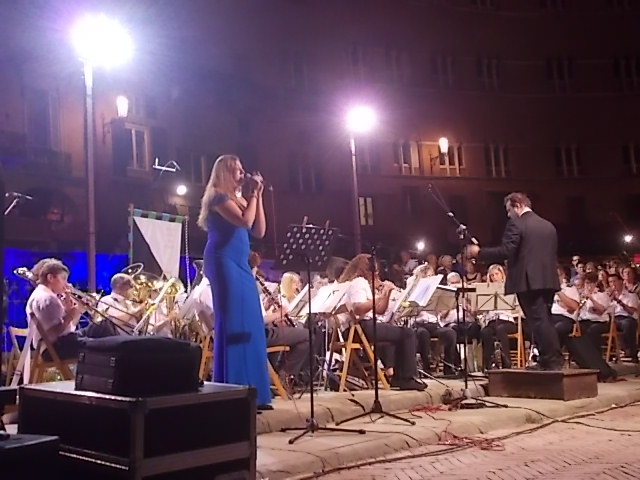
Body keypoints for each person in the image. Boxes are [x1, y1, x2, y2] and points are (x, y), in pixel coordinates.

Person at [197, 154, 272, 410]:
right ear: (226, 173)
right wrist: (252, 198)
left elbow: (259, 230)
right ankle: (232, 390)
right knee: (232, 323)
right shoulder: (217, 197)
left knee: (251, 323)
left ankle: (256, 393)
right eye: (237, 170)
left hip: (240, 264)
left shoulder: (240, 199)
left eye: (242, 169)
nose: (242, 173)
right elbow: (244, 221)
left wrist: (258, 196)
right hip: (223, 262)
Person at [466, 192, 563, 370]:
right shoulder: (548, 225)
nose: (508, 215)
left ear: (517, 205)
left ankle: (551, 361)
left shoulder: (517, 223)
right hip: (548, 280)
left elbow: (507, 250)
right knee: (545, 320)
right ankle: (551, 358)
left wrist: (479, 253)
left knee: (538, 321)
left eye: (509, 210)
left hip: (528, 281)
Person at [26, 259, 114, 360]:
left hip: (60, 343)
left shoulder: (44, 295)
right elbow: (54, 333)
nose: (66, 284)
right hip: (54, 349)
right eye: (63, 279)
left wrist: (74, 311)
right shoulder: (47, 298)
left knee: (103, 326)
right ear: (50, 278)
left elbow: (67, 329)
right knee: (106, 345)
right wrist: (70, 315)